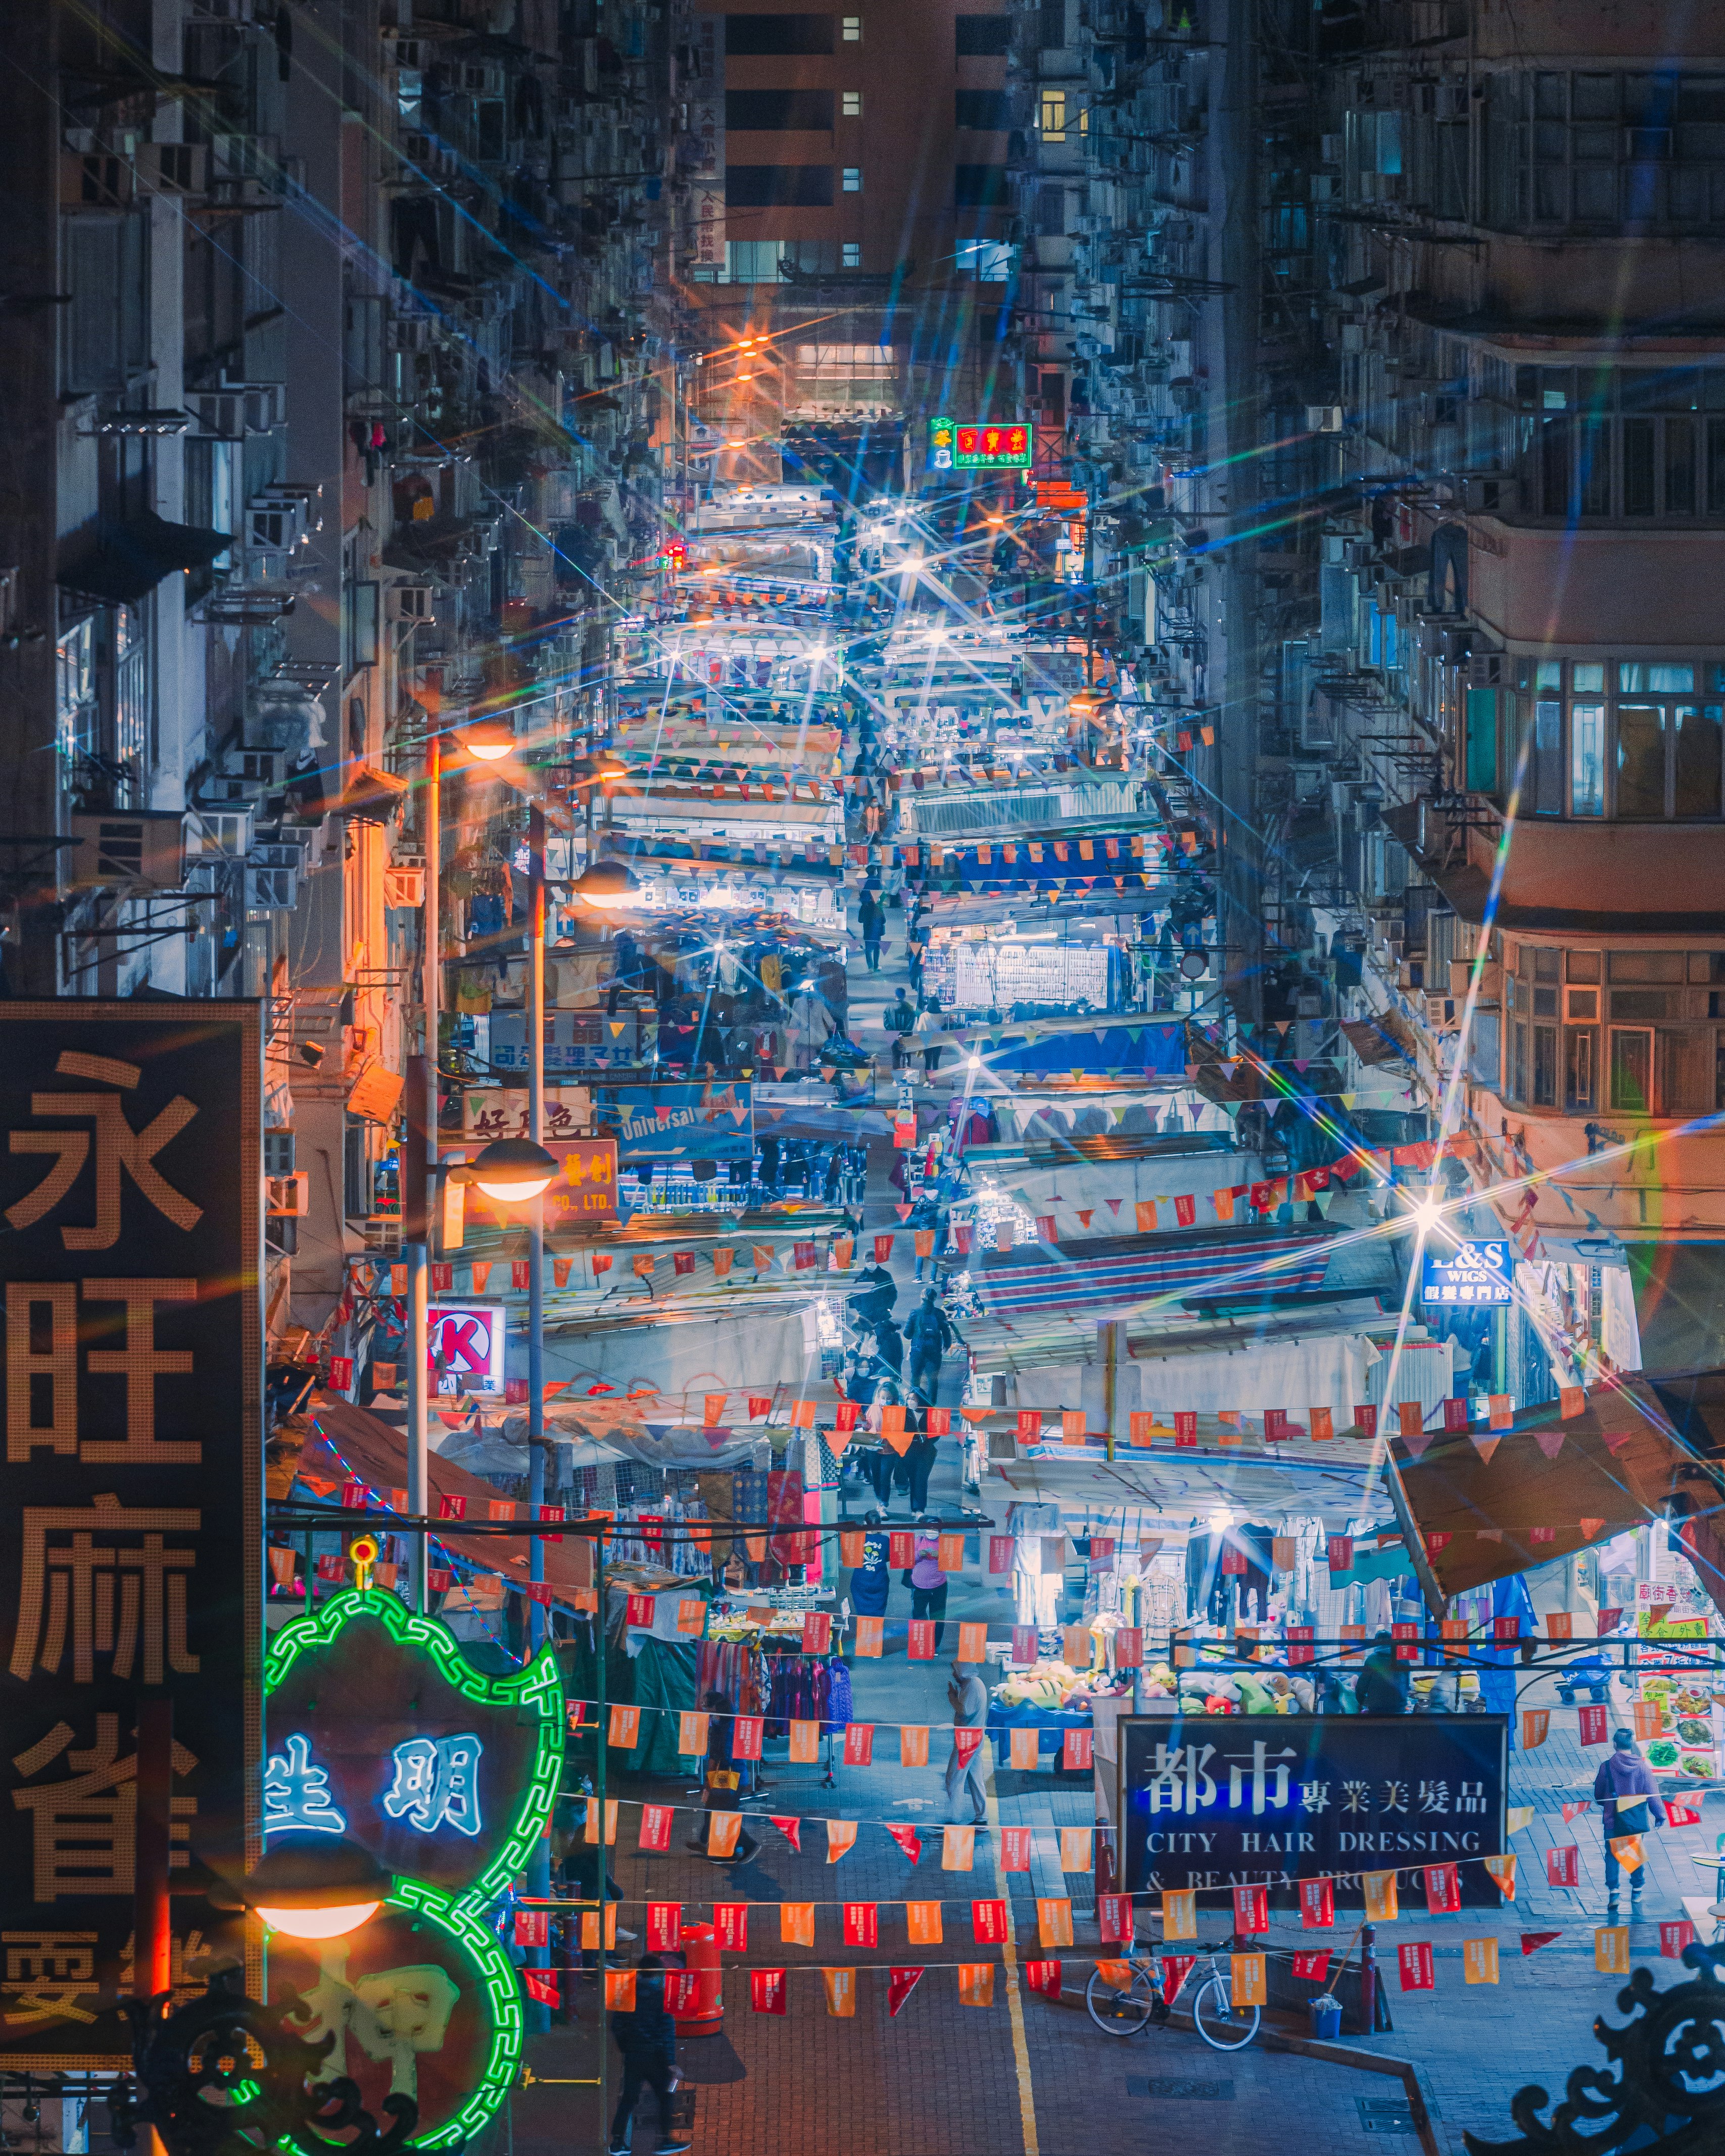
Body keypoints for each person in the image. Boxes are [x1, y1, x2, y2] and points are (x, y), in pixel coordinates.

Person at [606, 1954, 686, 2155]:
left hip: (634, 2056)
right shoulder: (661, 1997)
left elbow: (617, 2026)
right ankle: (665, 2141)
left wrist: (627, 2048)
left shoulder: (627, 1995)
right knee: (667, 2095)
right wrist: (671, 2063)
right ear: (658, 1974)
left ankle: (617, 2142)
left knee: (629, 2098)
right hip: (656, 2058)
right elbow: (667, 2032)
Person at [1594, 1727, 1667, 1914]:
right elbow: (1653, 1794)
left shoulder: (1607, 1766)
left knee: (1612, 1856)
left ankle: (1614, 1893)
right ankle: (1637, 1892)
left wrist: (1612, 1806)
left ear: (1615, 1744)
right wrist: (1660, 1815)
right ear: (1632, 1745)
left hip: (1613, 1820)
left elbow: (1599, 1795)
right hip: (1635, 1820)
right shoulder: (1642, 1768)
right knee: (1634, 1853)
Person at [686, 1689, 760, 1861]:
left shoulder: (723, 1730)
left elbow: (720, 1757)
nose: (706, 1713)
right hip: (736, 1777)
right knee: (716, 1812)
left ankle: (747, 1846)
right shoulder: (730, 1725)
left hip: (730, 1779)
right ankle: (713, 1845)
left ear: (716, 1710)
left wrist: (710, 1780)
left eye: (707, 1709)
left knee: (723, 1816)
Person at [943, 1659, 990, 1825]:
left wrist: (952, 1698)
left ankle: (954, 1818)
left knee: (954, 1778)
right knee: (976, 1780)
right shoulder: (973, 1684)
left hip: (968, 1742)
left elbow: (965, 1710)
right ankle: (982, 1818)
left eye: (956, 1671)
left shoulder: (972, 1687)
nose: (954, 1674)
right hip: (973, 1739)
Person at [905, 1525, 948, 1652]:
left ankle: (935, 1645)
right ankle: (921, 1644)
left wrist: (940, 1555)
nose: (932, 1532)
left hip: (939, 1586)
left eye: (935, 1529)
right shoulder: (918, 1541)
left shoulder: (946, 1543)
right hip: (919, 1585)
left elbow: (953, 1560)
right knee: (919, 1615)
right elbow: (908, 1559)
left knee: (938, 1616)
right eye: (930, 1528)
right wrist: (919, 1554)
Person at [904, 1286, 953, 1400]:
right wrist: (947, 1345)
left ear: (922, 1299)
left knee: (916, 1378)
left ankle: (914, 1402)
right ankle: (931, 1406)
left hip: (918, 1351)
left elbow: (907, 1334)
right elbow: (946, 1331)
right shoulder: (939, 1313)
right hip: (934, 1352)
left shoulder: (914, 1313)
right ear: (934, 1299)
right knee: (933, 1380)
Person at [848, 1510, 892, 1621]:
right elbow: (888, 1557)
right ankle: (876, 1636)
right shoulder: (885, 1540)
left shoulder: (857, 1539)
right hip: (879, 1582)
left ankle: (864, 1635)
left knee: (863, 1617)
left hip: (861, 1582)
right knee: (878, 1617)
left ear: (865, 1523)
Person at [1354, 1631, 1410, 1714]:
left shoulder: (1372, 1659)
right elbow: (1406, 1684)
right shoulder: (1403, 1659)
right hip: (1399, 1708)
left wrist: (1362, 1703)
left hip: (1377, 1709)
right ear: (1392, 1640)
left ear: (1376, 1642)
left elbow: (1361, 1687)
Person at [886, 988, 917, 1067]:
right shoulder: (909, 1007)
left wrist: (894, 1033)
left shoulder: (889, 1007)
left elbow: (886, 1022)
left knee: (896, 1057)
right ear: (905, 996)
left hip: (894, 1036)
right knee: (907, 1056)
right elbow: (911, 1022)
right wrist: (904, 1033)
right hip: (907, 1036)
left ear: (895, 995)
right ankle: (907, 1074)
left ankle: (896, 1077)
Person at [858, 889, 885, 971]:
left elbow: (860, 920)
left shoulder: (864, 908)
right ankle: (876, 966)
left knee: (868, 950)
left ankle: (870, 967)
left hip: (868, 932)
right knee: (877, 949)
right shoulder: (878, 908)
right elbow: (884, 920)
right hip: (877, 933)